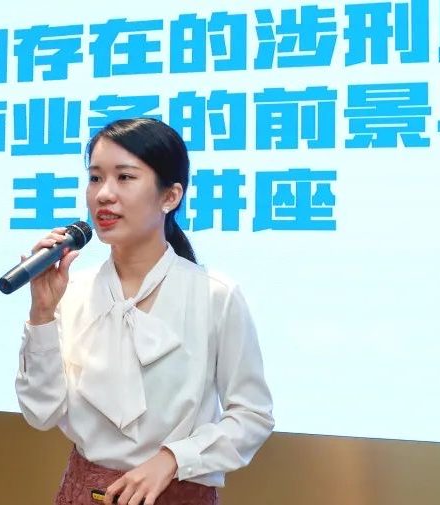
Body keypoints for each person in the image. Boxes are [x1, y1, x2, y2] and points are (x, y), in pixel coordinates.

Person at [15, 118, 274, 505]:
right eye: (95, 178)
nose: (104, 194)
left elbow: (253, 415)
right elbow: (41, 413)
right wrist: (42, 313)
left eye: (125, 177)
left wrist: (174, 458)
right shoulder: (71, 291)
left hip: (178, 494)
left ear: (170, 196)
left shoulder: (214, 295)